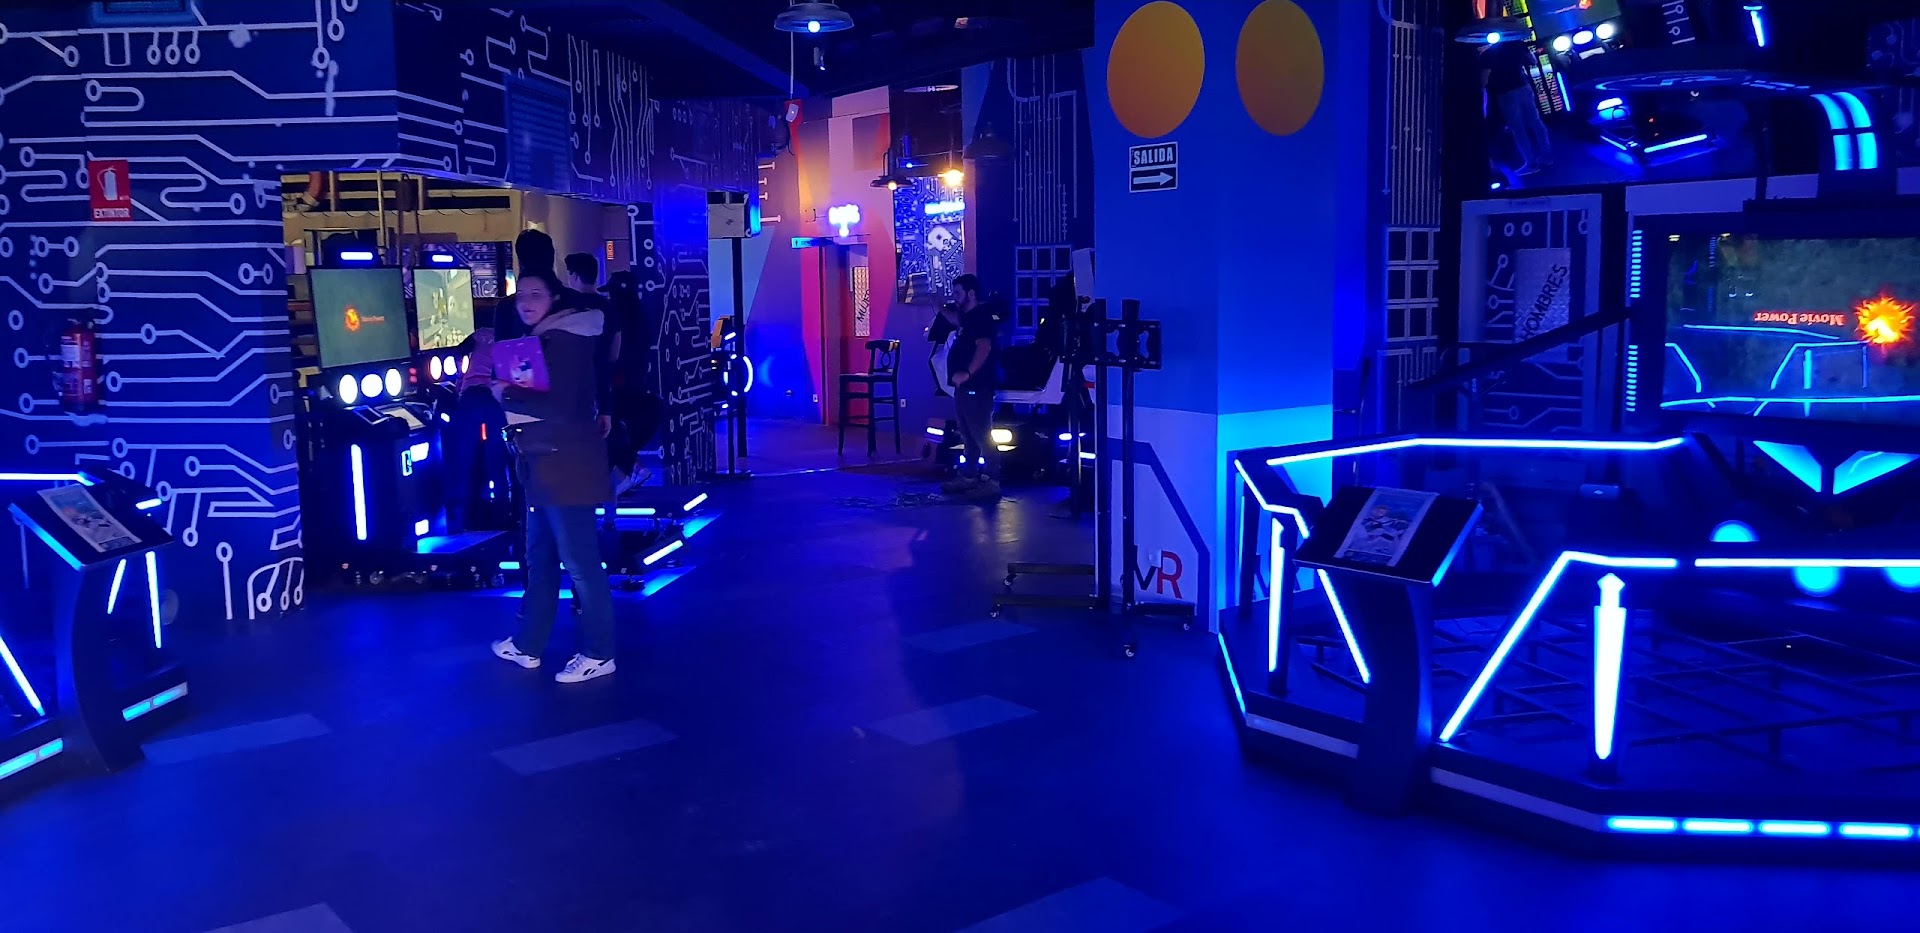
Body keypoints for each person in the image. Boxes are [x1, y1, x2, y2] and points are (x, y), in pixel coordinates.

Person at [488, 271, 619, 684]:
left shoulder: (564, 340)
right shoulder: (550, 337)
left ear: (555, 298)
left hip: (565, 466)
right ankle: (528, 644)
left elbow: (560, 406)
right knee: (541, 557)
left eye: (535, 294)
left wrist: (504, 392)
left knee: (580, 564)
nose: (526, 302)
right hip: (545, 463)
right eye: (520, 295)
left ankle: (600, 653)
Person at [939, 274, 1002, 499]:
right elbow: (955, 319)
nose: (954, 297)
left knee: (981, 434)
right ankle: (969, 476)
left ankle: (992, 480)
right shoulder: (969, 318)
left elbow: (984, 347)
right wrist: (936, 304)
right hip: (965, 387)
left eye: (958, 293)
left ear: (971, 294)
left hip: (977, 385)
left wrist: (967, 373)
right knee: (967, 434)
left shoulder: (981, 318)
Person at [1482, 38, 1552, 175]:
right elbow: (1533, 61)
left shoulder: (1488, 53)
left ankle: (1531, 163)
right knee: (1535, 122)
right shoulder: (1517, 43)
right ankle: (1547, 156)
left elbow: (1483, 80)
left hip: (1505, 93)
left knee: (1518, 128)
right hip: (1524, 86)